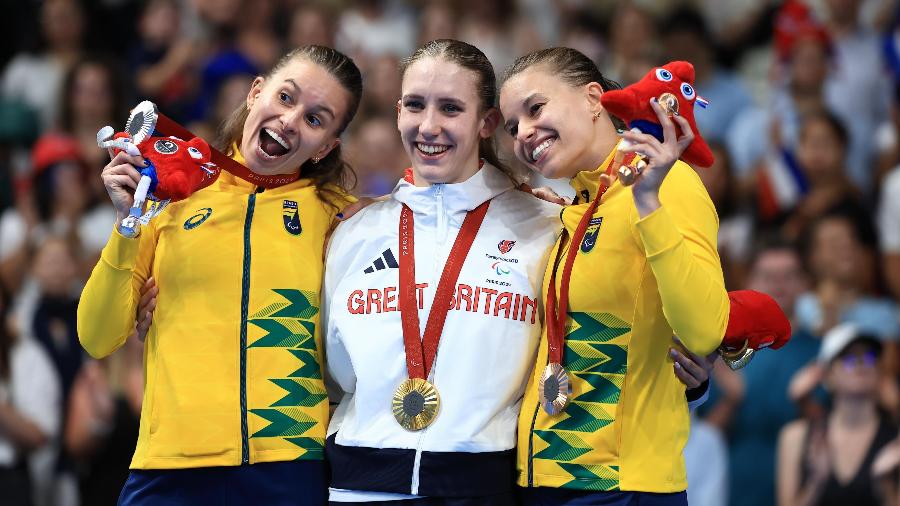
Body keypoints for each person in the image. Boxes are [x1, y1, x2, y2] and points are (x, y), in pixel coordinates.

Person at [321, 40, 716, 506]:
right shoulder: (355, 230)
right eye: (415, 105)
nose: (430, 125)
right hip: (510, 481)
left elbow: (691, 321)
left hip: (567, 483)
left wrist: (692, 377)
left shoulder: (559, 219)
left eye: (450, 107)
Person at [76, 45, 363, 505]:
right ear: (255, 93)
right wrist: (127, 226)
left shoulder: (341, 220)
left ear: (328, 145)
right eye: (285, 98)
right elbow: (96, 336)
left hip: (287, 467)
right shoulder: (172, 193)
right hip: (170, 466)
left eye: (315, 119)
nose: (290, 120)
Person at [499, 47, 729, 505]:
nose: (524, 132)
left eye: (536, 108)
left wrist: (649, 204)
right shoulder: (580, 206)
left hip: (617, 486)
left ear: (592, 99)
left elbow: (704, 331)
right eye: (511, 127)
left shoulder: (666, 184)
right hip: (544, 481)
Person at [777, 324, 898, 506]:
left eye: (870, 356)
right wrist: (815, 483)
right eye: (849, 358)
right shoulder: (796, 437)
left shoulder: (895, 441)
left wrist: (886, 487)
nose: (862, 363)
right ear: (827, 375)